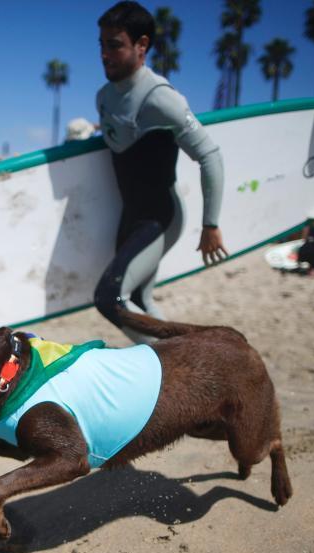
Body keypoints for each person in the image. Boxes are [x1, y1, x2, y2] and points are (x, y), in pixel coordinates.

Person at [93, 1, 225, 342]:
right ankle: (179, 356)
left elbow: (210, 155)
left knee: (111, 299)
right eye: (102, 44)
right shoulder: (104, 97)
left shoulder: (161, 98)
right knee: (139, 299)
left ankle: (174, 368)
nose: (105, 54)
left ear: (142, 46)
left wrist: (210, 224)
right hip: (129, 216)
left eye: (115, 45)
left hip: (160, 218)